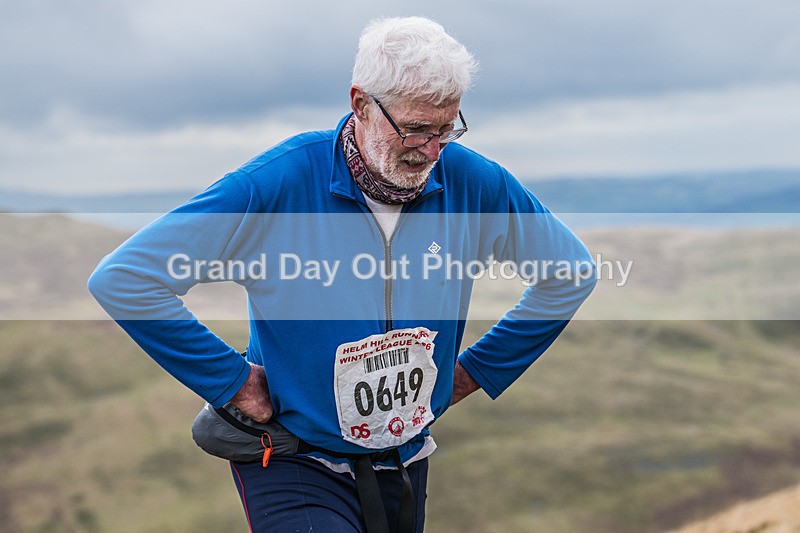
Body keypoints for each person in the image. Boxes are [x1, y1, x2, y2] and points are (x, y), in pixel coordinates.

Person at [88, 16, 595, 533]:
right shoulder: (277, 184)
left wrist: (473, 374)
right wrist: (233, 381)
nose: (433, 151)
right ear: (360, 104)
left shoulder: (473, 181)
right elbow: (126, 279)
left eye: (447, 129)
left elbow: (570, 273)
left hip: (405, 458)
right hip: (291, 458)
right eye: (416, 129)